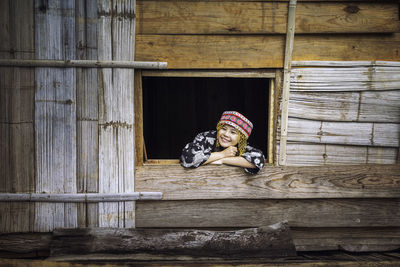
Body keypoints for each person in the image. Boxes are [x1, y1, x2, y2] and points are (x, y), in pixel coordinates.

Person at [180, 111, 265, 174]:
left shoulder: (242, 146)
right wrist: (222, 154)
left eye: (233, 132)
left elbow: (259, 159)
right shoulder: (205, 137)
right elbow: (188, 158)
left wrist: (222, 160)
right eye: (223, 129)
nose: (226, 134)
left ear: (241, 138)